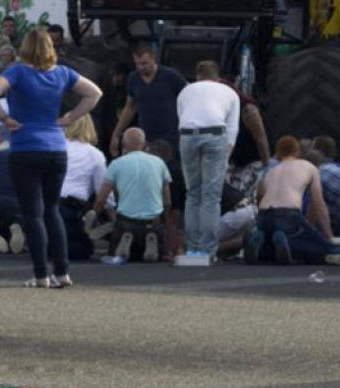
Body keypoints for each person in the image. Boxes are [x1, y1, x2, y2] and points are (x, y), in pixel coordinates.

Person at [0, 28, 103, 288]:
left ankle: (41, 274)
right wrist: (70, 117)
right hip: (56, 148)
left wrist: (5, 119)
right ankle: (63, 273)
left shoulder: (17, 71)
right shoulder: (62, 73)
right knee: (52, 211)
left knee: (32, 213)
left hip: (25, 147)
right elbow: (95, 93)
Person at [246, 135, 340, 266]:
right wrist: (328, 236)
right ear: (298, 152)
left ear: (278, 153)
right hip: (288, 215)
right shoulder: (308, 167)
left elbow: (259, 196)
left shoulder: (270, 172)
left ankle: (261, 239)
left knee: (271, 241)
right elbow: (318, 204)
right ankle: (288, 241)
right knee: (324, 246)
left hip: (264, 215)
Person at [177, 60, 240, 259]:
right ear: (218, 77)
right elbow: (232, 128)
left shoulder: (185, 91)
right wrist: (225, 155)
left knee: (193, 193)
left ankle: (192, 248)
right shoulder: (229, 92)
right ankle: (207, 250)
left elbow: (182, 117)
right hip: (215, 134)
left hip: (187, 135)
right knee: (211, 196)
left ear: (196, 76)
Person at [93, 128, 172, 262]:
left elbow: (101, 200)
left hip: (126, 222)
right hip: (153, 222)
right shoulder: (159, 163)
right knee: (156, 247)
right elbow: (167, 202)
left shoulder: (116, 164)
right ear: (144, 144)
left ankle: (126, 239)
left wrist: (94, 216)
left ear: (124, 145)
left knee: (115, 251)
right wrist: (166, 223)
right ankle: (152, 239)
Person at [110, 42, 187, 157]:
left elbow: (188, 98)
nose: (141, 67)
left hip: (171, 135)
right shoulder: (133, 79)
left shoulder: (171, 76)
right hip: (146, 136)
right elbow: (130, 107)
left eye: (145, 63)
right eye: (138, 64)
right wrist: (116, 134)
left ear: (153, 58)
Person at [59, 114, 109, 260]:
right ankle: (87, 223)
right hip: (72, 206)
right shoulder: (96, 155)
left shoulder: (55, 148)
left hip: (50, 204)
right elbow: (103, 192)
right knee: (83, 251)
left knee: (50, 245)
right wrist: (113, 218)